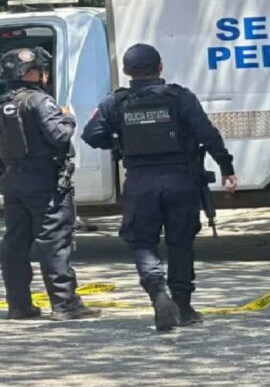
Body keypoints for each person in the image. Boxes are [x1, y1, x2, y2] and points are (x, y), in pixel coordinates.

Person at [83, 44, 237, 331]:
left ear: (126, 71)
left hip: (140, 182)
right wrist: (226, 168)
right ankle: (183, 307)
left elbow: (91, 135)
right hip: (181, 181)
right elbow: (207, 134)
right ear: (160, 66)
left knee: (142, 242)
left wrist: (119, 140)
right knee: (181, 243)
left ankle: (157, 293)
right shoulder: (180, 97)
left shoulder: (115, 102)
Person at [0, 47, 99, 321]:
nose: (44, 75)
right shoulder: (39, 101)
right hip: (44, 180)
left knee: (16, 242)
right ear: (30, 74)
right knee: (53, 240)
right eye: (40, 70)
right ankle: (65, 304)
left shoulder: (3, 102)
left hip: (13, 180)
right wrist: (67, 117)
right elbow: (59, 136)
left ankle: (19, 305)